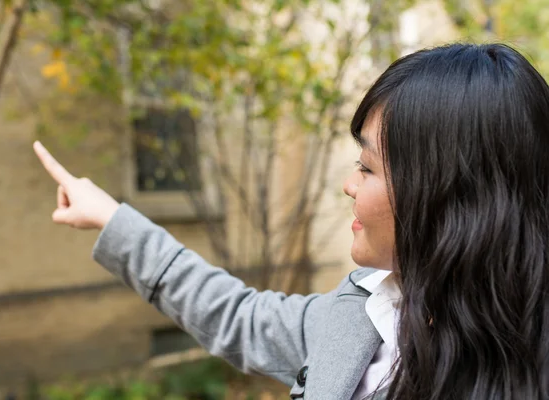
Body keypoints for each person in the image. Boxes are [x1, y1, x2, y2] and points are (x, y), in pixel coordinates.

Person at [33, 43, 549, 400]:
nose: (348, 185)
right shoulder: (363, 314)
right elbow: (236, 314)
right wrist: (111, 218)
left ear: (448, 195)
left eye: (367, 168)